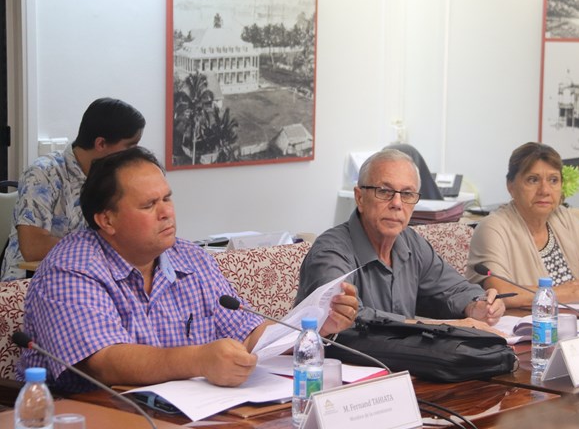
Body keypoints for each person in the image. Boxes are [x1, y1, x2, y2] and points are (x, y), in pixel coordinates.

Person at [17, 147, 358, 393]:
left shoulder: (190, 258)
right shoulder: (70, 268)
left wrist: (312, 328)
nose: (166, 212)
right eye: (149, 205)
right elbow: (105, 362)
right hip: (100, 414)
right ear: (107, 220)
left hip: (188, 413)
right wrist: (199, 360)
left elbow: (249, 334)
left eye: (167, 198)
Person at [295, 149, 505, 327]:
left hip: (404, 359)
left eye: (407, 194)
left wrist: (477, 305)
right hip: (336, 362)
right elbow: (344, 318)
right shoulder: (331, 251)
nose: (397, 203)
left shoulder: (411, 242)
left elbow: (456, 289)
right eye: (384, 191)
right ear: (360, 198)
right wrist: (445, 327)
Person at [1, 97, 146, 281]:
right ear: (101, 144)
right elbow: (32, 247)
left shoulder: (111, 178)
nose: (133, 154)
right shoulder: (42, 173)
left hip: (86, 276)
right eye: (130, 146)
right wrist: (100, 248)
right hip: (31, 281)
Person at [466, 142, 579, 308]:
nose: (545, 190)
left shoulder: (563, 217)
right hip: (526, 323)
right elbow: (501, 293)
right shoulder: (493, 228)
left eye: (553, 180)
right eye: (533, 180)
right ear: (510, 186)